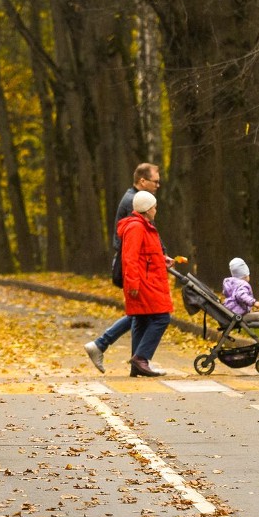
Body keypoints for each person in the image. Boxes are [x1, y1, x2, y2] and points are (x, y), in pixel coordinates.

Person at [84, 162, 162, 373]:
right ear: (142, 181)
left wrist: (160, 256)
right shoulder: (134, 202)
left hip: (138, 269)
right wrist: (156, 259)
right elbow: (135, 244)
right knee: (145, 313)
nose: (157, 185)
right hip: (137, 271)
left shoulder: (136, 199)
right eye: (155, 181)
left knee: (140, 315)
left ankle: (137, 362)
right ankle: (104, 345)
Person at [117, 190, 172, 377]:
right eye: (154, 207)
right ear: (147, 209)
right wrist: (132, 284)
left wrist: (162, 259)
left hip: (146, 279)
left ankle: (137, 365)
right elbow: (130, 258)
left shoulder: (144, 226)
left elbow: (146, 254)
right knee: (162, 318)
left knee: (141, 320)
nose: (156, 210)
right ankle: (141, 358)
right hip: (144, 282)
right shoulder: (136, 228)